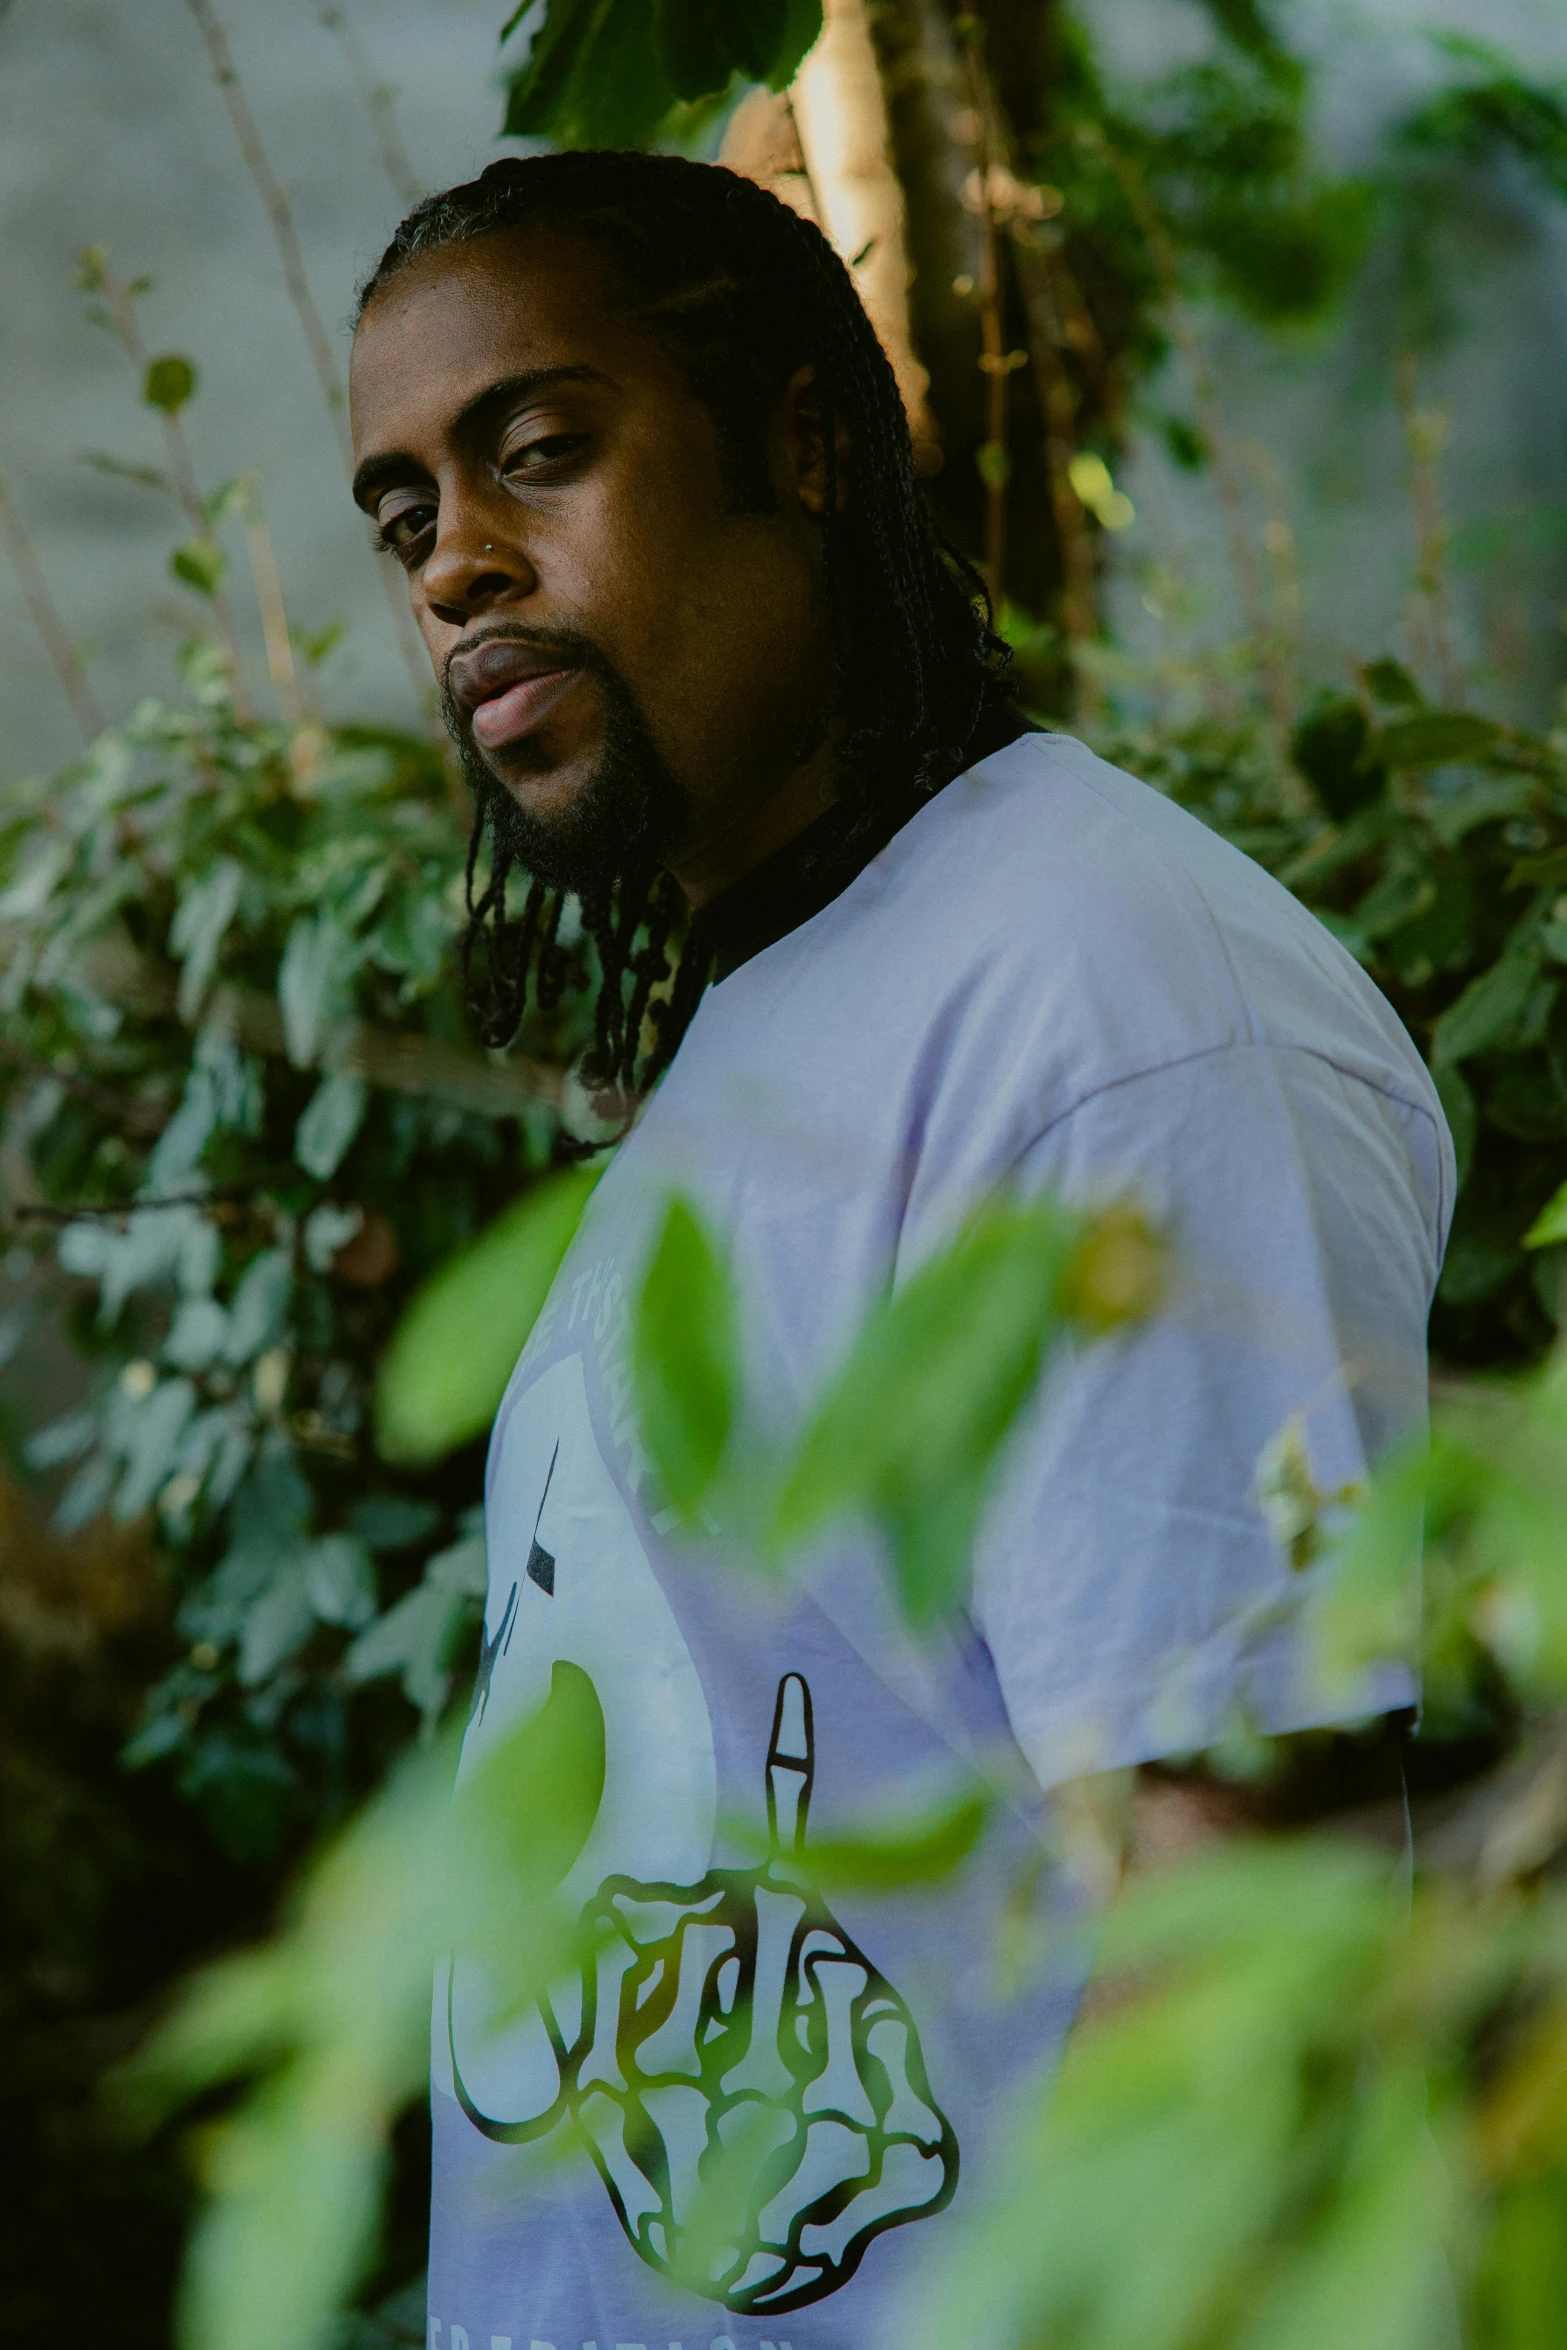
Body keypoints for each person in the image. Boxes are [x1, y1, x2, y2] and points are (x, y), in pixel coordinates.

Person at [349, 151, 1451, 2350]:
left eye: (538, 452)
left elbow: (1242, 1919)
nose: (459, 559)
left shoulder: (1095, 1001)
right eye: (402, 517)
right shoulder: (789, 1010)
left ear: (809, 442)